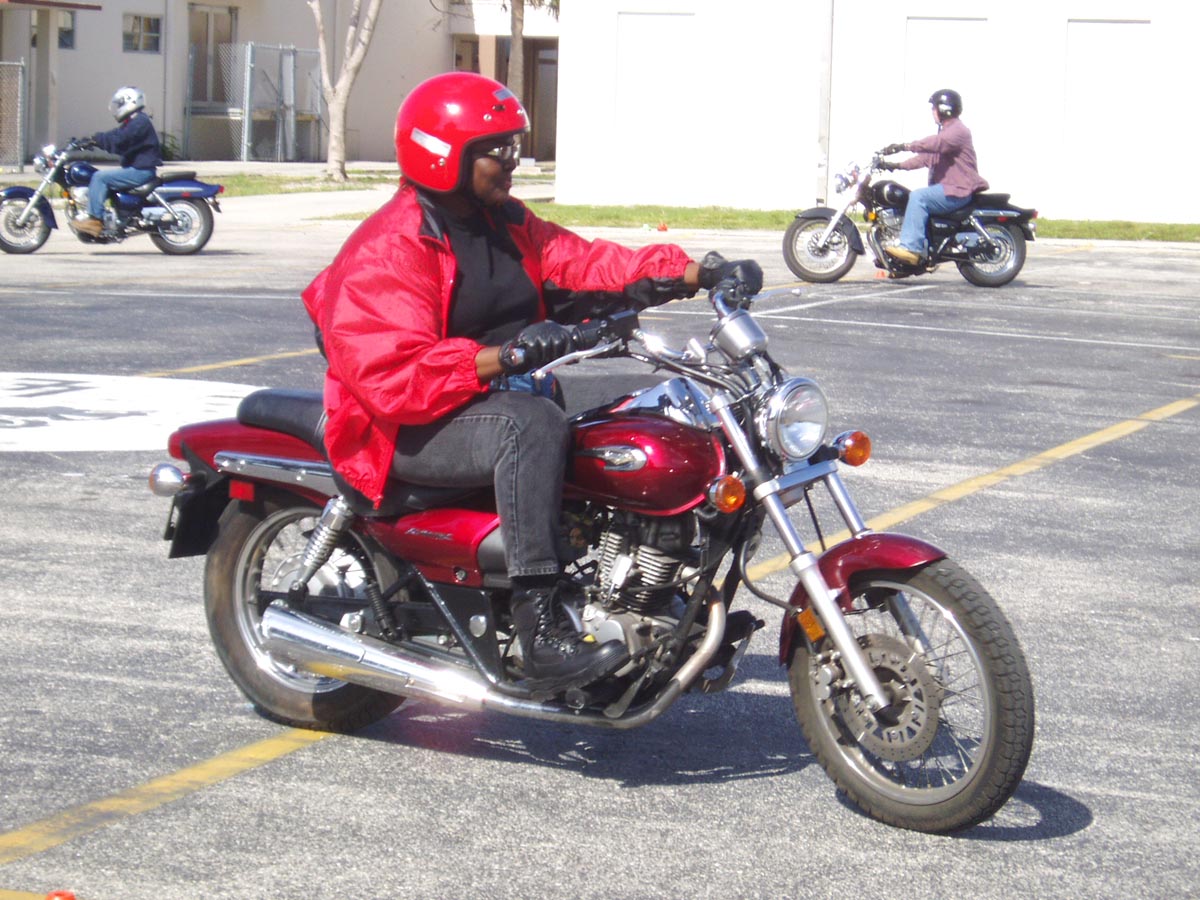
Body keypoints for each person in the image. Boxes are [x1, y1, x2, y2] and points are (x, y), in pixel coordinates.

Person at [301, 72, 762, 691]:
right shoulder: (392, 246)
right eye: (499, 149)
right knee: (532, 425)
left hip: (482, 407)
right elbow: (392, 374)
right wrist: (505, 356)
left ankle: (650, 601)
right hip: (400, 430)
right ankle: (538, 627)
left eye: (515, 145)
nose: (515, 160)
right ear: (444, 155)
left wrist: (695, 272)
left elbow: (585, 263)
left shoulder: (504, 222)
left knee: (635, 425)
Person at [878, 88, 988, 265]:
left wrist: (904, 146)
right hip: (949, 190)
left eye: (934, 108)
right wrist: (895, 166)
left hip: (957, 190)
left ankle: (910, 249)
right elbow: (925, 159)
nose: (932, 112)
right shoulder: (946, 133)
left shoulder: (957, 131)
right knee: (913, 198)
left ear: (944, 109)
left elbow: (936, 144)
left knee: (918, 197)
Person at [75, 86, 162, 237]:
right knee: (101, 177)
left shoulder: (140, 122)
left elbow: (120, 140)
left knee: (99, 177)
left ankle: (95, 220)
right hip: (138, 168)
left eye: (120, 104)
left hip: (141, 170)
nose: (118, 108)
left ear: (131, 101)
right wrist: (93, 139)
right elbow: (116, 134)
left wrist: (97, 141)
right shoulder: (134, 121)